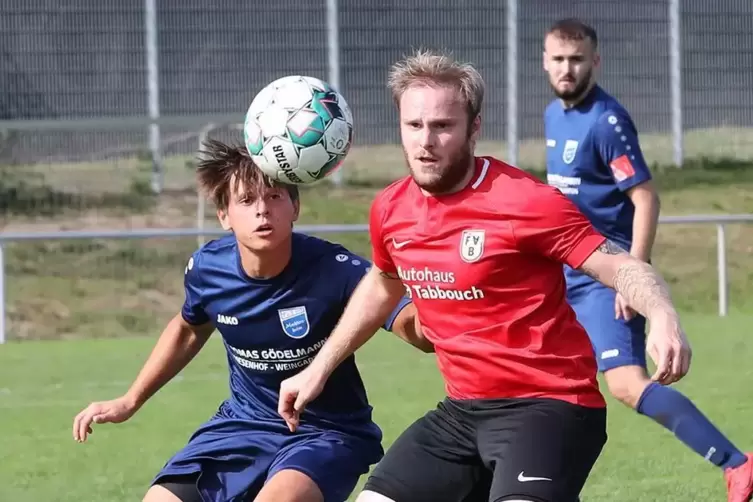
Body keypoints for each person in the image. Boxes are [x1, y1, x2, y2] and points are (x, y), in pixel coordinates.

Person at [277, 48, 693, 502]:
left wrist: (662, 313)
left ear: (474, 128)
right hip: (461, 414)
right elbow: (382, 283)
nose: (425, 142)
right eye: (413, 126)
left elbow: (621, 264)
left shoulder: (526, 202)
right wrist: (318, 369)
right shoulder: (390, 210)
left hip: (551, 407)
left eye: (442, 126)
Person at [71, 139, 431, 502]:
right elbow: (187, 329)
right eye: (246, 200)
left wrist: (445, 302)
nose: (262, 211)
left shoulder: (335, 269)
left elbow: (409, 323)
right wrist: (130, 400)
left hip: (327, 431)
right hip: (244, 425)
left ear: (295, 207)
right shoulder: (208, 269)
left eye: (274, 197)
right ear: (223, 215)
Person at [542, 18, 753, 502]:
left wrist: (630, 277)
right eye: (558, 59)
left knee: (627, 383)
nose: (567, 69)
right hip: (563, 271)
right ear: (545, 61)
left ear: (595, 61)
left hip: (604, 272)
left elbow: (645, 197)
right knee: (543, 376)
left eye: (577, 59)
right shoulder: (555, 114)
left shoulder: (606, 121)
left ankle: (737, 464)